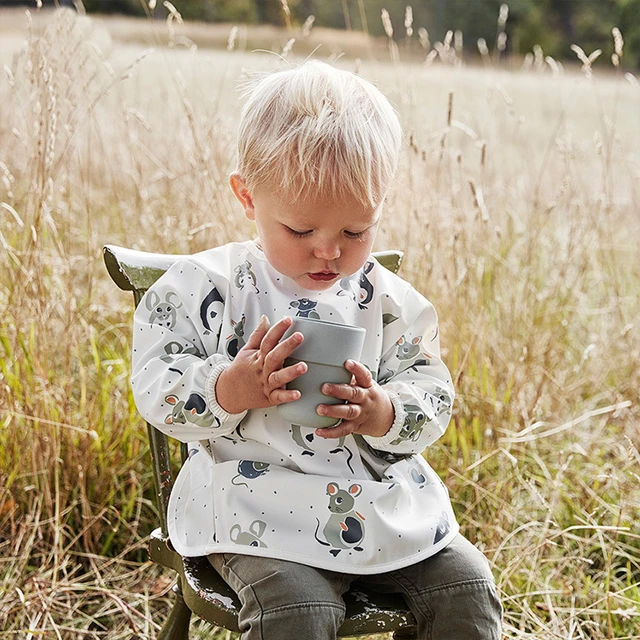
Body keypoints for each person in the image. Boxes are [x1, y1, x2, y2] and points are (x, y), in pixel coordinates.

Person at [131, 60, 502, 639]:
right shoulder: (208, 288)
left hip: (378, 505)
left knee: (467, 588)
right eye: (302, 231)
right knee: (298, 610)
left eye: (356, 233)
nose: (328, 253)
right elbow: (157, 382)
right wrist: (230, 387)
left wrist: (383, 411)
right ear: (248, 197)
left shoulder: (387, 300)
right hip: (253, 508)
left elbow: (430, 391)